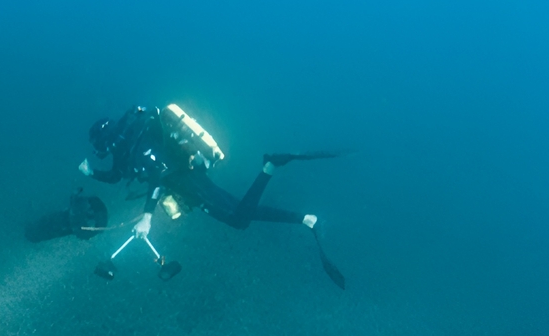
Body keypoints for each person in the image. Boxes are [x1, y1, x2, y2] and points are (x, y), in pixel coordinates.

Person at [34, 103, 344, 287]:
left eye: (99, 147)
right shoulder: (127, 149)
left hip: (189, 182)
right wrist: (93, 173)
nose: (101, 152)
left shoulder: (136, 144)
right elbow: (117, 176)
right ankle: (304, 217)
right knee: (239, 215)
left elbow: (158, 175)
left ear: (105, 138)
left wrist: (146, 219)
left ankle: (270, 167)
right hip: (188, 186)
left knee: (238, 217)